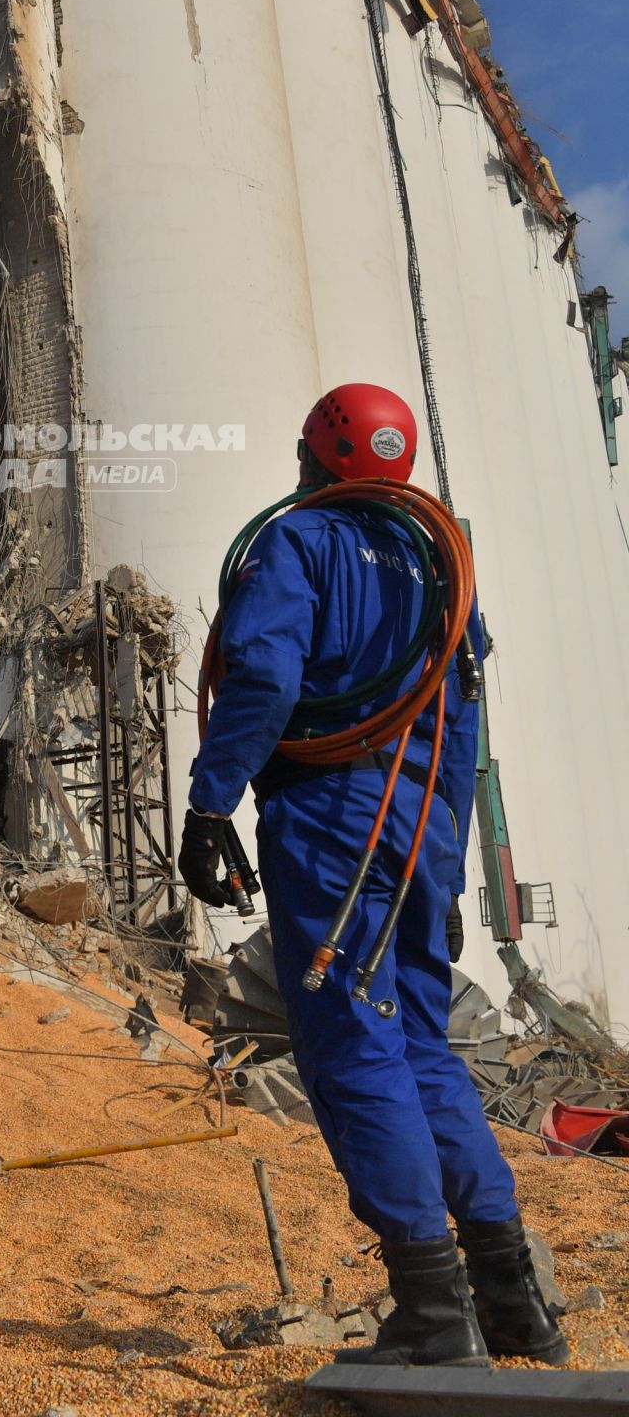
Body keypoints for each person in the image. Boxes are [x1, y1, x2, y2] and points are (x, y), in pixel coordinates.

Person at [179, 383, 565, 1369]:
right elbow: (460, 720)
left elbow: (260, 675)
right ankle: (510, 1298)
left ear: (312, 458)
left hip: (332, 814)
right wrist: (440, 856)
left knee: (353, 1047)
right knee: (424, 1048)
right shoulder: (441, 573)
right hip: (421, 816)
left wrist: (211, 800)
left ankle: (433, 1313)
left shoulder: (297, 546)